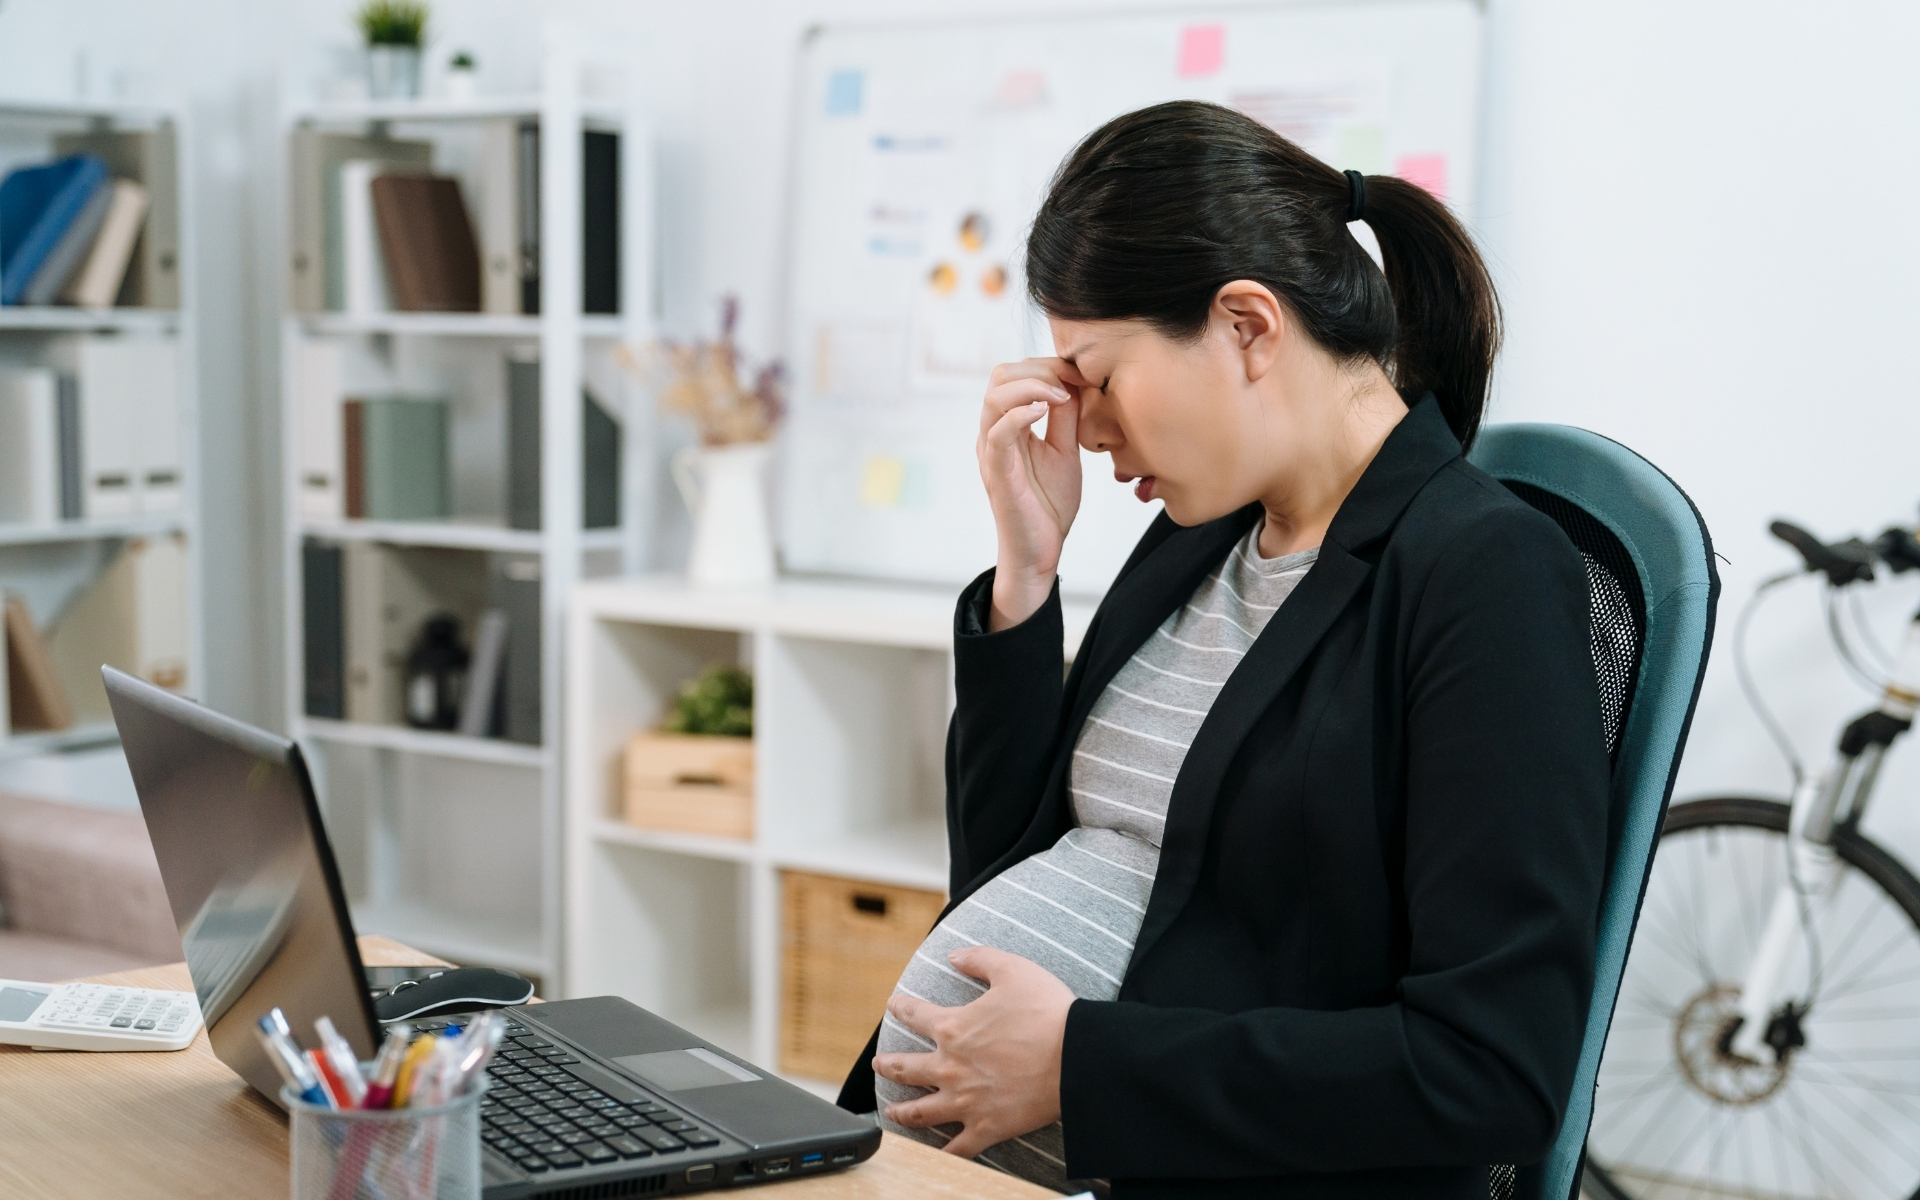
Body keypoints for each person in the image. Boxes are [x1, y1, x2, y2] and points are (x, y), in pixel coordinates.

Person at [836, 100, 1609, 1200]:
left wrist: (1083, 1069)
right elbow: (997, 873)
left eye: (1099, 377)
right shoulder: (1199, 539)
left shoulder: (1485, 574)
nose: (1085, 428)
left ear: (1248, 326)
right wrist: (1027, 578)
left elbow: (1491, 1069)